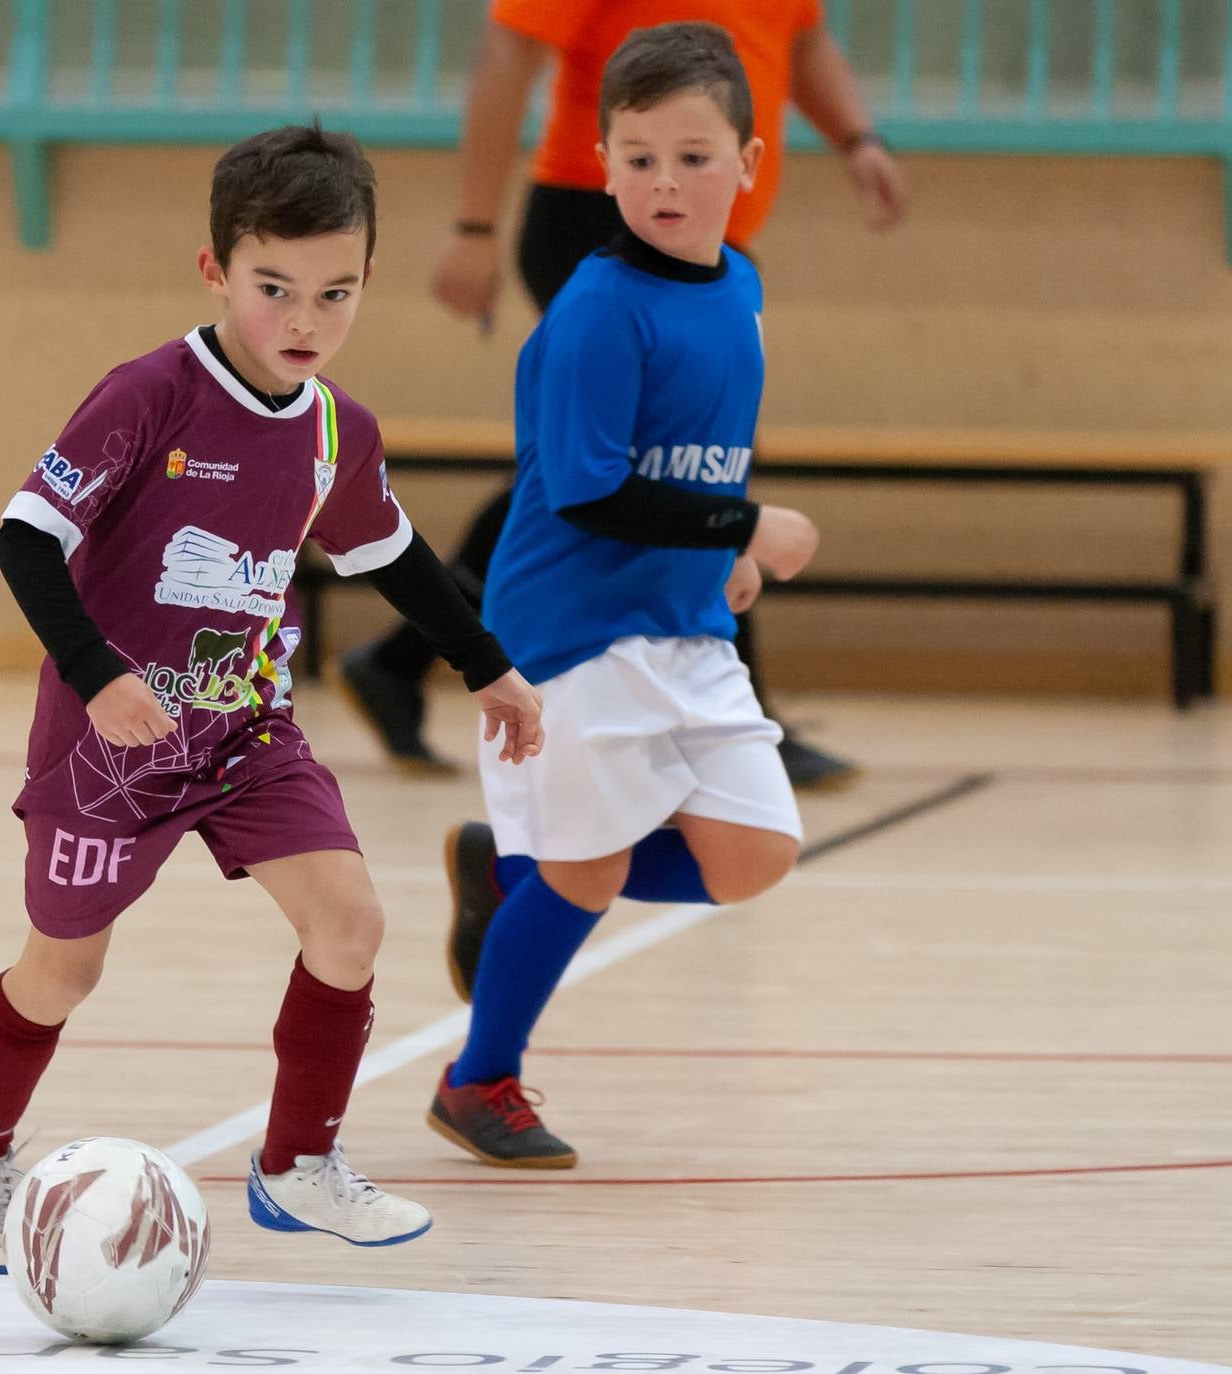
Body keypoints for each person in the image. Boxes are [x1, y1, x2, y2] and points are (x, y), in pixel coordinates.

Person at [0, 123, 545, 1267]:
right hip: (110, 745)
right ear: (214, 270)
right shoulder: (148, 396)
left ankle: (298, 1165)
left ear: (367, 280)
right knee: (64, 970)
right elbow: (24, 539)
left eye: (334, 293)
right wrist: (98, 674)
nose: (304, 320)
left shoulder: (337, 430)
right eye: (274, 289)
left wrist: (486, 664)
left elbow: (394, 555)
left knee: (349, 922)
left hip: (246, 730)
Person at [425, 24, 816, 1167]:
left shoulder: (738, 285)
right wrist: (745, 526)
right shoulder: (598, 309)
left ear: (749, 163)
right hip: (570, 632)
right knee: (588, 870)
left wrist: (720, 553)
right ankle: (477, 1079)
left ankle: (514, 872)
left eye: (693, 158)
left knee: (755, 853)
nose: (664, 183)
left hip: (683, 622)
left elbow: (699, 449)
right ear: (600, 166)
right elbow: (591, 490)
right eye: (638, 159)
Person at [339, 0, 905, 789]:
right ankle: (737, 717)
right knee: (635, 463)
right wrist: (473, 227)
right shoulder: (605, 281)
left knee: (623, 461)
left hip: (709, 232)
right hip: (594, 213)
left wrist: (856, 138)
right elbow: (507, 53)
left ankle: (400, 658)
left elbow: (800, 40)